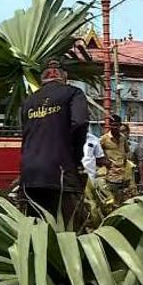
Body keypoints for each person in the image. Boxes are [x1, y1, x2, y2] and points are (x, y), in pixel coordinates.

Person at [20, 57, 88, 225]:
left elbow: (25, 133)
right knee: (69, 229)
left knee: (36, 229)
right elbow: (80, 123)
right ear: (63, 75)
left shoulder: (28, 101)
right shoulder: (73, 93)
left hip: (30, 175)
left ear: (42, 77)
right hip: (60, 171)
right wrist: (76, 158)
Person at [100, 115, 131, 201]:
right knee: (111, 201)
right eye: (113, 125)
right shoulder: (104, 139)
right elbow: (97, 154)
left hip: (123, 176)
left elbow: (126, 153)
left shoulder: (123, 138)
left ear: (120, 125)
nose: (115, 127)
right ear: (109, 125)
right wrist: (105, 162)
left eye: (117, 125)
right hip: (111, 177)